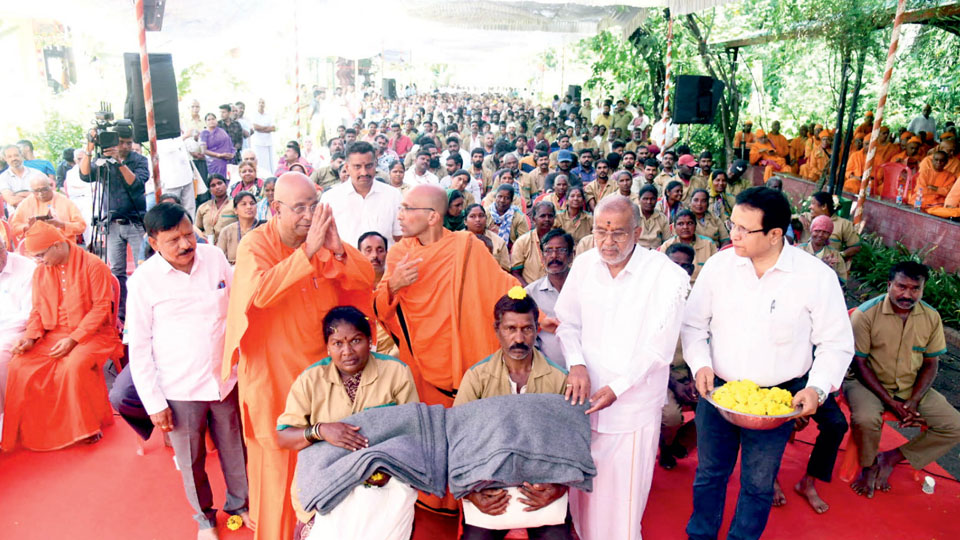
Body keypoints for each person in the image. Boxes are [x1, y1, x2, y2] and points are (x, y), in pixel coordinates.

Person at [681, 187, 855, 540]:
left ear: (776, 234)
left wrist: (817, 388)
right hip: (719, 391)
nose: (734, 235)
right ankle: (700, 535)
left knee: (758, 482)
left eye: (745, 229)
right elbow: (693, 324)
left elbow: (836, 343)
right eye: (733, 225)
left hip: (779, 398)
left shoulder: (815, 277)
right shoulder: (719, 266)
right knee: (710, 473)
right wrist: (700, 363)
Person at [221, 172, 375, 540]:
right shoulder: (254, 245)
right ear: (275, 209)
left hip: (320, 377)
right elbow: (259, 294)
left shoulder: (323, 244)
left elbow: (365, 278)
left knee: (323, 463)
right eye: (300, 208)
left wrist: (338, 249)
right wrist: (308, 253)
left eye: (314, 206)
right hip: (273, 379)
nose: (309, 216)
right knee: (276, 470)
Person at [373, 184, 519, 513]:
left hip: (466, 357)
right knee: (431, 432)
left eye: (408, 208)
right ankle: (433, 495)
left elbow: (501, 287)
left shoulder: (467, 247)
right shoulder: (399, 254)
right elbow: (380, 309)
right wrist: (394, 284)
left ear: (433, 216)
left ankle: (472, 496)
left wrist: (535, 312)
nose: (400, 214)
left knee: (467, 429)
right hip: (423, 365)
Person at [555, 195, 689, 540]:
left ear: (639, 232)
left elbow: (658, 349)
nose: (608, 242)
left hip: (632, 405)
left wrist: (619, 387)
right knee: (583, 491)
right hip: (583, 399)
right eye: (601, 232)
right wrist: (577, 365)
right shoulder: (584, 265)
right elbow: (567, 323)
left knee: (622, 498)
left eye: (618, 233)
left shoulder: (666, 275)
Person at [126, 202, 249, 539]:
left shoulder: (214, 258)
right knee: (191, 458)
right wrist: (154, 403)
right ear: (153, 243)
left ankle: (241, 504)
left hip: (225, 378)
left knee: (235, 446)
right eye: (173, 240)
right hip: (178, 389)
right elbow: (138, 348)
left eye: (188, 234)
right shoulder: (143, 283)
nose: (185, 245)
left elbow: (241, 298)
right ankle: (204, 519)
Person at [276, 306, 418, 540]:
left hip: (382, 485)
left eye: (356, 340)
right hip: (325, 484)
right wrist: (320, 431)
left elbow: (413, 431)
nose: (347, 352)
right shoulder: (310, 380)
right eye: (337, 343)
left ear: (370, 340)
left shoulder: (396, 372)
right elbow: (283, 437)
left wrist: (386, 467)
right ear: (327, 347)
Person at [454, 291, 573, 540]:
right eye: (510, 329)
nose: (519, 338)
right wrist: (471, 492)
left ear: (537, 329)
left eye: (527, 329)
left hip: (541, 487)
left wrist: (557, 488)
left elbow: (571, 444)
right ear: (497, 330)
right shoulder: (477, 377)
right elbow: (456, 441)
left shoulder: (558, 379)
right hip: (491, 486)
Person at [2, 221, 124, 451]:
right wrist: (29, 338)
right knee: (19, 365)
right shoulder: (41, 272)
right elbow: (37, 310)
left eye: (41, 255)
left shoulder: (93, 264)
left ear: (58, 245)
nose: (39, 261)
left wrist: (74, 339)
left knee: (74, 364)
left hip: (92, 334)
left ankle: (86, 427)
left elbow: (100, 309)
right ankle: (39, 429)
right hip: (53, 333)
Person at [845, 261, 960, 499]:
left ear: (923, 289)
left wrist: (914, 399)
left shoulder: (931, 317)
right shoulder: (866, 314)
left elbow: (931, 363)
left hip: (911, 387)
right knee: (865, 419)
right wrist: (890, 401)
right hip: (867, 383)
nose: (907, 294)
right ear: (889, 285)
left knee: (954, 425)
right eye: (901, 286)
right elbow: (860, 364)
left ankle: (891, 457)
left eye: (915, 288)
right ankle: (868, 466)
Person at [78, 122, 149, 320]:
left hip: (135, 221)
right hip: (111, 222)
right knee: (116, 269)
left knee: (142, 267)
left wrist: (119, 161)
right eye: (121, 143)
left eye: (128, 143)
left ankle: (143, 310)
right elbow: (84, 175)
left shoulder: (140, 160)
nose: (125, 146)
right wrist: (90, 150)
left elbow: (135, 184)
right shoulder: (103, 160)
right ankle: (121, 312)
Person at [659, 242, 698, 470]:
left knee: (716, 409)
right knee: (671, 416)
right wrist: (674, 384)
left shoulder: (696, 300)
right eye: (675, 265)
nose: (680, 271)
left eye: (686, 266)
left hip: (690, 371)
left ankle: (678, 442)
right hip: (660, 375)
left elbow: (701, 342)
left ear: (691, 271)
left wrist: (695, 378)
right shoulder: (650, 300)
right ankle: (665, 449)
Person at [321, 141, 402, 247]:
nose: (364, 172)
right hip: (345, 262)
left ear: (375, 164)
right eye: (357, 167)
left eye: (368, 166)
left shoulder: (393, 196)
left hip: (384, 263)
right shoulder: (330, 198)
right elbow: (323, 238)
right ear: (347, 167)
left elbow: (400, 237)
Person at [524, 229, 574, 369]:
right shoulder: (530, 294)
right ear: (542, 257)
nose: (554, 256)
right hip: (548, 372)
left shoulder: (584, 288)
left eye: (561, 250)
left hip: (590, 371)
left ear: (571, 256)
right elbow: (527, 335)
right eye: (548, 251)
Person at [0, 240, 35, 432]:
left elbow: (28, 314)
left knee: (1, 357)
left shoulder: (27, 269)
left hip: (19, 330)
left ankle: (7, 417)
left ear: (4, 250)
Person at [358, 231, 399, 357]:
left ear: (387, 253)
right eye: (368, 250)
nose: (374, 255)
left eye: (380, 250)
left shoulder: (396, 285)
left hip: (393, 357)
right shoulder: (351, 287)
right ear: (358, 254)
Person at [10, 175, 86, 240]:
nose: (40, 194)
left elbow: (81, 226)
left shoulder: (65, 202)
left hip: (63, 246)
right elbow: (13, 228)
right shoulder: (26, 203)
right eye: (36, 191)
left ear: (51, 186)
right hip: (35, 248)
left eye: (44, 189)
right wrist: (28, 227)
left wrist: (61, 224)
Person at [658, 210, 717, 284]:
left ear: (695, 225)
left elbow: (715, 271)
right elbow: (662, 272)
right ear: (674, 227)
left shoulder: (708, 244)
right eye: (680, 224)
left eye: (689, 223)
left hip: (702, 287)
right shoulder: (667, 245)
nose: (685, 227)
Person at [510, 202, 556, 287]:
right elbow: (515, 273)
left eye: (550, 216)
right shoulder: (522, 242)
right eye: (542, 216)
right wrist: (530, 292)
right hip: (530, 290)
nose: (547, 219)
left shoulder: (560, 240)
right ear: (534, 219)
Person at [804, 192, 860, 261]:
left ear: (824, 206)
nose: (810, 207)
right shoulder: (806, 217)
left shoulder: (844, 224)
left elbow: (855, 247)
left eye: (813, 203)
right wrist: (799, 218)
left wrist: (839, 255)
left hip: (828, 266)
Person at [799, 215, 848, 283]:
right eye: (817, 231)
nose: (820, 235)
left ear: (829, 235)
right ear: (811, 231)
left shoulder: (835, 255)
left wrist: (829, 270)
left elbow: (842, 281)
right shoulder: (800, 250)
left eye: (825, 232)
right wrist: (821, 265)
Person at [217, 191, 262, 265]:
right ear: (235, 210)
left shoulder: (264, 228)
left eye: (252, 203)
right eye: (243, 204)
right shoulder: (227, 231)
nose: (249, 207)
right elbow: (219, 259)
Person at [466, 203, 510, 271]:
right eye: (472, 216)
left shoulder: (498, 242)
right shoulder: (457, 239)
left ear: (486, 218)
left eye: (481, 216)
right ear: (465, 221)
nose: (478, 219)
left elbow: (505, 269)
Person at [2, 144, 49, 208]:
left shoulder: (37, 173)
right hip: (16, 214)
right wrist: (33, 195)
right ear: (5, 159)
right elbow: (11, 201)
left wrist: (17, 195)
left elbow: (47, 195)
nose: (13, 158)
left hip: (39, 211)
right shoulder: (3, 178)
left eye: (16, 155)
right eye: (9, 157)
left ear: (21, 155)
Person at [195, 175, 235, 244]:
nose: (217, 187)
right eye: (213, 185)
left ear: (226, 185)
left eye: (220, 183)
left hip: (230, 243)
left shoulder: (236, 204)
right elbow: (197, 228)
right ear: (210, 190)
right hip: (208, 245)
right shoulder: (203, 207)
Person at [200, 113, 236, 178]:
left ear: (216, 120)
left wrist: (232, 154)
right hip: (215, 163)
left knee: (229, 181)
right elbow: (204, 150)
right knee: (217, 181)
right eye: (209, 120)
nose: (211, 121)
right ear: (205, 122)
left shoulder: (222, 131)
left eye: (213, 119)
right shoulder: (204, 133)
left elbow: (230, 144)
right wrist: (219, 155)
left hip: (228, 161)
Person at [634, 184, 669, 250]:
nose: (649, 202)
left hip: (656, 253)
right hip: (636, 253)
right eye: (645, 199)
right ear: (639, 199)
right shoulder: (632, 216)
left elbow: (666, 241)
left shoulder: (662, 218)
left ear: (656, 200)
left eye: (652, 199)